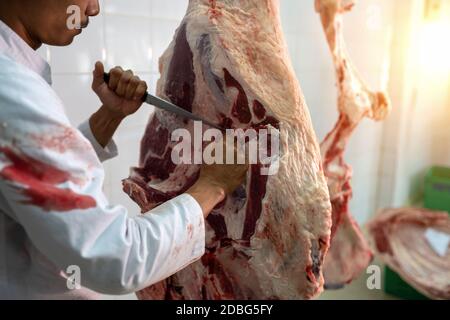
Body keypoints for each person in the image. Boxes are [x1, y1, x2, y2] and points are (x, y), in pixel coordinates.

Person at [0, 0, 248, 299]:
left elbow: (33, 175)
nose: (93, 9)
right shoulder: (12, 88)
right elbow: (116, 258)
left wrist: (110, 116)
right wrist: (213, 186)